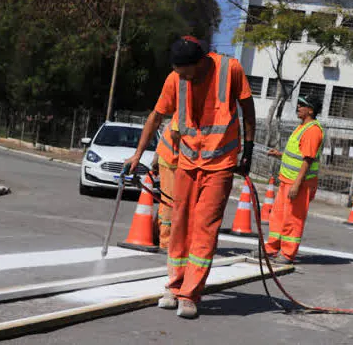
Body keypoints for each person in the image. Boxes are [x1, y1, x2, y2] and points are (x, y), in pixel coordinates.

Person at [125, 36, 256, 318]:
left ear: (199, 63)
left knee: (205, 227)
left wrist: (249, 150)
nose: (180, 76)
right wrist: (138, 155)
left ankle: (191, 294)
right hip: (186, 161)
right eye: (177, 71)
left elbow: (248, 109)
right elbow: (155, 117)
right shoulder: (175, 79)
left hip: (220, 163)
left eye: (184, 71)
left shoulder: (229, 70)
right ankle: (173, 286)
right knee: (179, 222)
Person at [262, 94, 324, 264]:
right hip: (287, 181)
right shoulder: (302, 127)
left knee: (293, 219)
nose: (298, 107)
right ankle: (272, 248)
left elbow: (307, 160)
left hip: (299, 184)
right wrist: (280, 155)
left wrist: (297, 185)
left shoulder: (312, 130)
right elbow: (298, 154)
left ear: (310, 110)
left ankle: (287, 253)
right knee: (278, 216)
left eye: (302, 105)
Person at [151, 121, 179, 251]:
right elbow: (174, 136)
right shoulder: (183, 115)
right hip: (171, 163)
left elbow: (162, 139)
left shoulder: (173, 119)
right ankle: (165, 241)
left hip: (167, 160)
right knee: (170, 202)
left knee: (166, 201)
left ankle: (156, 234)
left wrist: (155, 159)